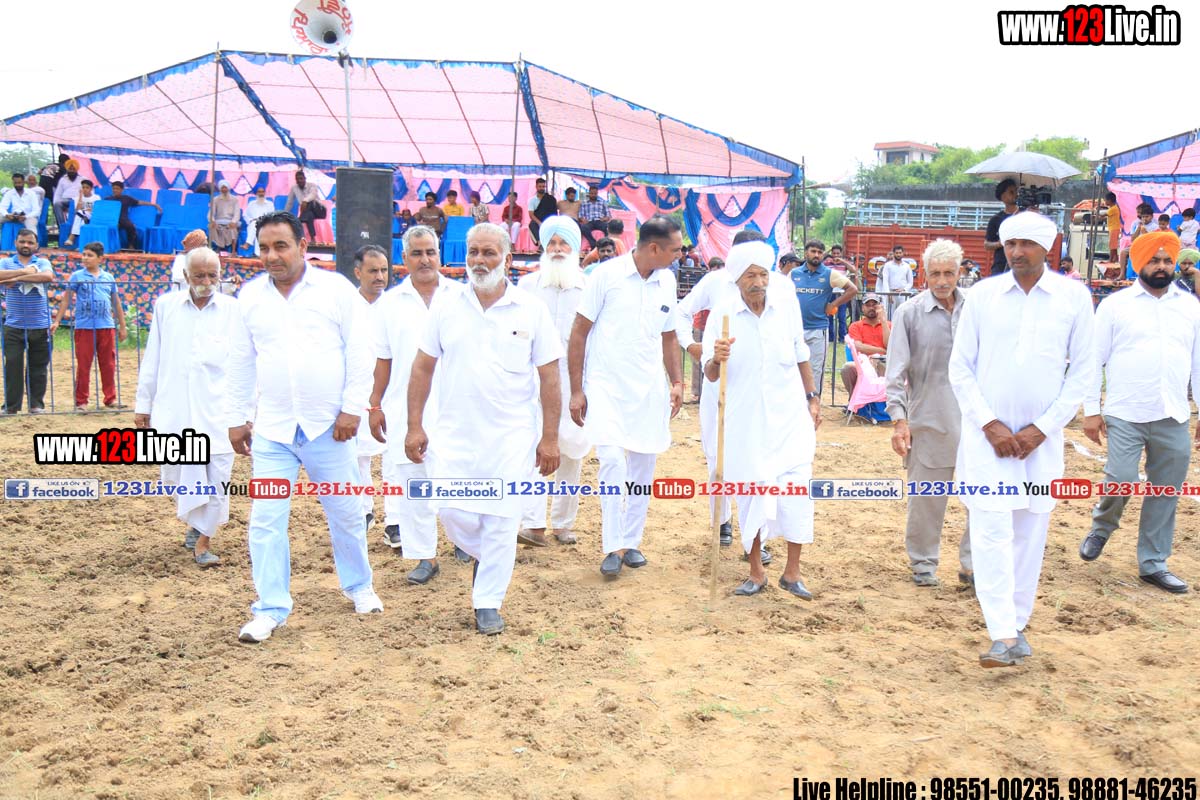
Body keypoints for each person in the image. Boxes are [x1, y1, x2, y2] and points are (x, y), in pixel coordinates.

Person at [948, 211, 1095, 668]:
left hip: (1041, 444)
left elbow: (1083, 372)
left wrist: (1043, 428)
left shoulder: (1073, 297)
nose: (1016, 252)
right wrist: (989, 424)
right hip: (987, 440)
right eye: (1010, 244)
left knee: (1030, 532)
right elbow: (960, 368)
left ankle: (1016, 624)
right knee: (991, 529)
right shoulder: (982, 295)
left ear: (1046, 247)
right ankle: (1002, 633)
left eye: (1026, 244)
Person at [227, 212, 381, 644]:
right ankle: (269, 608)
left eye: (281, 246)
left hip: (329, 428)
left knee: (346, 512)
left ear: (303, 245)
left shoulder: (335, 290)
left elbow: (361, 352)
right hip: (273, 430)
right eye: (264, 248)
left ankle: (359, 586)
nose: (271, 256)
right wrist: (237, 417)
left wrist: (351, 409)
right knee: (265, 520)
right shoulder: (250, 297)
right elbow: (241, 361)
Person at [406, 223, 563, 635]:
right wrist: (414, 425)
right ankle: (488, 553)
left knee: (501, 518)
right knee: (451, 509)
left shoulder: (531, 309)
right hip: (454, 433)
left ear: (507, 259)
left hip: (512, 435)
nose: (479, 260)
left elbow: (550, 376)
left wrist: (550, 437)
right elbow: (422, 368)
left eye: (489, 253)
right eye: (473, 252)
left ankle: (488, 602)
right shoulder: (446, 305)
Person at [1080, 231, 1199, 595]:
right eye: (1154, 260)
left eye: (1167, 261)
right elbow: (1093, 360)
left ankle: (1153, 563)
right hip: (1125, 411)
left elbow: (1198, 364)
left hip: (1173, 413)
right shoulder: (1115, 305)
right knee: (1121, 478)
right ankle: (1102, 528)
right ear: (1138, 263)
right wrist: (1091, 410)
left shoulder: (1190, 307)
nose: (1162, 267)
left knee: (1165, 491)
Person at [703, 241, 821, 598]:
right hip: (745, 419)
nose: (758, 283)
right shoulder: (722, 315)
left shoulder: (786, 308)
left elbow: (801, 352)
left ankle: (792, 573)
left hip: (789, 416)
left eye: (763, 275)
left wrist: (812, 397)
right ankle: (756, 572)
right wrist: (716, 357)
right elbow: (710, 373)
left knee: (797, 490)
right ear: (737, 279)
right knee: (751, 492)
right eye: (750, 276)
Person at [568, 215, 684, 578]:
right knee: (612, 462)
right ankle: (612, 545)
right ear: (654, 248)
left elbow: (669, 336)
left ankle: (632, 541)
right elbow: (579, 332)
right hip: (605, 386)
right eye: (675, 249)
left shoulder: (667, 280)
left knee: (642, 467)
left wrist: (677, 382)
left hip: (649, 388)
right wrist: (576, 389)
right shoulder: (606, 275)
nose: (680, 255)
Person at [676, 229, 796, 551]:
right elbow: (681, 312)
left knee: (762, 457)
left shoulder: (780, 286)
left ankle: (758, 536)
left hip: (762, 388)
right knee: (719, 456)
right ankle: (722, 520)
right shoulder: (715, 282)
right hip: (720, 384)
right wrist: (694, 347)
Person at [367, 225, 466, 582]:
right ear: (404, 258)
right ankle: (425, 556)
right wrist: (374, 405)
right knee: (414, 482)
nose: (425, 260)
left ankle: (464, 541)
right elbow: (382, 360)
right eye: (417, 253)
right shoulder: (389, 304)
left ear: (439, 255)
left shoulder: (462, 297)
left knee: (460, 476)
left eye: (430, 252)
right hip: (406, 410)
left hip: (457, 405)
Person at [134, 247, 237, 568]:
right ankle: (196, 524)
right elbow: (153, 356)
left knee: (218, 473)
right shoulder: (166, 307)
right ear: (185, 276)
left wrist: (245, 414)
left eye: (212, 276)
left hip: (218, 409)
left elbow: (244, 365)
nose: (206, 282)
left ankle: (204, 541)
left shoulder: (233, 310)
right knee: (181, 473)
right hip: (175, 408)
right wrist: (143, 404)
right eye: (199, 276)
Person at [886, 239, 973, 588]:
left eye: (949, 273)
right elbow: (895, 372)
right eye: (935, 273)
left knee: (983, 498)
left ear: (959, 272)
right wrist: (899, 420)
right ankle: (923, 563)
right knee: (927, 498)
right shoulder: (910, 313)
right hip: (930, 419)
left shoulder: (977, 309)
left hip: (978, 422)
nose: (942, 281)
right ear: (923, 274)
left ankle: (973, 565)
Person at [517, 216, 591, 547]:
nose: (558, 249)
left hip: (576, 380)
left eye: (564, 244)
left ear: (575, 248)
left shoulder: (589, 288)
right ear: (543, 247)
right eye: (552, 243)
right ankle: (533, 524)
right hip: (534, 380)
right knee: (533, 445)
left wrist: (585, 387)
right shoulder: (526, 287)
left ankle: (563, 524)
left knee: (572, 450)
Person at [50, 242, 128, 411]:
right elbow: (66, 299)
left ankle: (110, 398)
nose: (85, 258)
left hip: (106, 326)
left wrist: (122, 326)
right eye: (84, 254)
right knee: (84, 365)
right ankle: (81, 401)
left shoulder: (108, 278)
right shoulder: (77, 276)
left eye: (90, 255)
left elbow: (116, 303)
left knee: (108, 364)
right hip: (84, 327)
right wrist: (57, 320)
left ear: (100, 259)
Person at [352, 245, 390, 534]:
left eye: (384, 270)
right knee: (357, 456)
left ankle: (395, 520)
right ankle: (363, 510)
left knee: (394, 455)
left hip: (391, 389)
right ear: (358, 272)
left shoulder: (396, 306)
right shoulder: (345, 306)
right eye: (373, 271)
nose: (379, 276)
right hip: (355, 389)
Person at [790, 239, 858, 399]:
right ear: (806, 253)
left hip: (818, 330)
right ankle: (794, 403)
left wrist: (833, 304)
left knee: (815, 369)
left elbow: (852, 289)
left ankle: (814, 403)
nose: (816, 255)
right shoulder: (794, 274)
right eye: (813, 251)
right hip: (794, 330)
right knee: (792, 367)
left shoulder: (829, 274)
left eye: (820, 252)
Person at [0, 229, 55, 414]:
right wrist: (25, 271)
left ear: (36, 245)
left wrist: (15, 277)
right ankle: (11, 406)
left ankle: (36, 405)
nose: (26, 245)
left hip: (40, 324)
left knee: (38, 367)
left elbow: (47, 276)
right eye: (22, 241)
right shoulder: (5, 262)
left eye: (30, 242)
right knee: (12, 366)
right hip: (13, 325)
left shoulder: (42, 262)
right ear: (15, 243)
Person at [839, 293, 889, 397]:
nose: (871, 308)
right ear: (862, 308)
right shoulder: (855, 326)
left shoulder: (889, 325)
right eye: (868, 305)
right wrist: (882, 351)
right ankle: (854, 399)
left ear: (880, 307)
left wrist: (883, 321)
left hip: (884, 363)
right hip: (863, 364)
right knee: (847, 368)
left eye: (874, 305)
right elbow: (859, 346)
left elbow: (889, 345)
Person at [109, 181, 161, 251]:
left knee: (131, 226)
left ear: (122, 190)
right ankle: (111, 246)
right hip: (111, 219)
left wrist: (154, 204)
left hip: (123, 219)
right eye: (113, 188)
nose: (115, 190)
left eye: (117, 189)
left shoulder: (126, 198)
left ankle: (131, 245)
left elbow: (139, 202)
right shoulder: (108, 199)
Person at [984, 178, 1018, 275]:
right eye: (1011, 192)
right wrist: (1001, 243)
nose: (1016, 194)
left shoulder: (1026, 216)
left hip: (1022, 267)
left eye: (1016, 191)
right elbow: (987, 245)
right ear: (1003, 196)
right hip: (1001, 267)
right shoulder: (996, 219)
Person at [825, 244, 857, 342]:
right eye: (834, 253)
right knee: (829, 316)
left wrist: (842, 261)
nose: (836, 255)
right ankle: (831, 337)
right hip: (830, 293)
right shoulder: (827, 263)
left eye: (838, 253)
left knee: (842, 317)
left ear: (841, 253)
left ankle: (842, 337)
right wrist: (827, 253)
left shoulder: (844, 264)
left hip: (842, 294)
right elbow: (819, 261)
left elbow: (854, 270)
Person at [876, 245, 915, 317]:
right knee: (890, 315)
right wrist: (888, 294)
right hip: (891, 293)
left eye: (900, 253)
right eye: (896, 253)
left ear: (903, 253)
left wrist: (904, 289)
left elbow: (910, 282)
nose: (898, 255)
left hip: (903, 294)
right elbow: (885, 281)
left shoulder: (906, 266)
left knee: (903, 314)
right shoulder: (888, 265)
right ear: (894, 253)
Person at [286, 170, 325, 240]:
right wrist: (284, 213)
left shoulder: (312, 185)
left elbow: (313, 195)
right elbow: (289, 202)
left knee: (310, 202)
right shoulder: (294, 188)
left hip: (319, 211)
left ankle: (301, 219)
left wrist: (305, 201)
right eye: (297, 179)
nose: (299, 181)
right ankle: (313, 238)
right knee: (309, 215)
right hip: (307, 212)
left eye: (301, 178)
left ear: (305, 178)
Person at [64, 179, 99, 248]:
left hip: (92, 217)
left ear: (91, 189)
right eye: (83, 187)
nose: (85, 189)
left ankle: (71, 237)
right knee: (82, 220)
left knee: (80, 213)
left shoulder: (96, 197)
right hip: (83, 218)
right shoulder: (78, 198)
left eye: (87, 187)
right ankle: (82, 246)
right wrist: (80, 197)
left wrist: (85, 210)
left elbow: (96, 210)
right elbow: (77, 210)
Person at [208, 180, 241, 253]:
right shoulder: (216, 199)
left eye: (225, 188)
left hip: (231, 221)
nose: (224, 190)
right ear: (220, 189)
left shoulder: (235, 199)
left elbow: (237, 213)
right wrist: (213, 221)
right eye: (222, 188)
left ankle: (233, 251)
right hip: (219, 221)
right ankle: (218, 247)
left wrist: (233, 222)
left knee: (233, 228)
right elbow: (211, 213)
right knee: (212, 227)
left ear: (228, 188)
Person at [52, 159, 83, 234]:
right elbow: (58, 194)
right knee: (57, 204)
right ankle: (62, 226)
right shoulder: (62, 180)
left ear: (76, 169)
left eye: (73, 169)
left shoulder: (83, 179)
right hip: (66, 201)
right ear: (67, 169)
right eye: (70, 169)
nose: (72, 171)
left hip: (78, 201)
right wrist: (55, 203)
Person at [243, 187, 275, 254]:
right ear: (256, 193)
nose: (261, 194)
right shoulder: (251, 204)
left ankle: (248, 243)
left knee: (257, 226)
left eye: (262, 192)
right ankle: (258, 254)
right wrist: (250, 220)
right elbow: (245, 215)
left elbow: (272, 215)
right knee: (256, 226)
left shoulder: (269, 204)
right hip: (253, 224)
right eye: (259, 192)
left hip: (265, 224)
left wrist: (265, 221)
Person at [527, 178, 557, 246]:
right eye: (540, 186)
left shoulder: (551, 199)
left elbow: (554, 213)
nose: (542, 188)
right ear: (536, 187)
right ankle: (540, 243)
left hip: (549, 220)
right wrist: (540, 223)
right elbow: (531, 215)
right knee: (532, 225)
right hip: (538, 220)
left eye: (543, 186)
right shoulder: (532, 200)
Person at [1105, 192, 1122, 263]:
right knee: (1113, 245)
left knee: (1112, 245)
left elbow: (1104, 215)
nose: (1105, 202)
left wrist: (1095, 216)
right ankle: (1115, 258)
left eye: (1106, 200)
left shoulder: (1113, 209)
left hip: (1114, 228)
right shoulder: (1113, 208)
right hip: (1113, 228)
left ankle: (1111, 260)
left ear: (1110, 200)